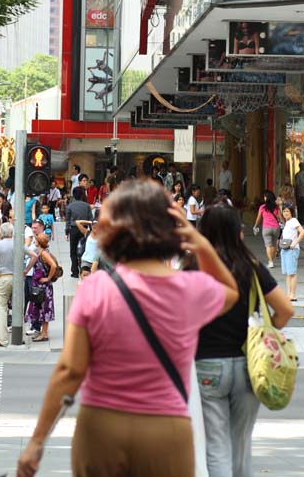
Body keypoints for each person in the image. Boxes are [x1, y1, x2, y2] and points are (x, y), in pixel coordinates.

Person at [17, 180, 239, 477]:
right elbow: (231, 292)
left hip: (101, 426)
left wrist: (37, 441)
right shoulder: (190, 288)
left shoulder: (96, 288)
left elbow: (69, 372)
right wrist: (199, 243)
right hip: (167, 430)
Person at [196, 204, 294, 477]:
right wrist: (267, 334)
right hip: (248, 364)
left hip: (205, 364)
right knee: (240, 445)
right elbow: (286, 309)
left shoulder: (195, 266)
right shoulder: (250, 266)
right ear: (237, 233)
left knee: (215, 445)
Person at [25, 233, 58, 343]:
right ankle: (42, 332)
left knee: (44, 309)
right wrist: (26, 271)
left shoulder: (44, 253)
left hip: (43, 287)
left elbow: (53, 265)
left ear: (39, 242)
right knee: (41, 309)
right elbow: (33, 262)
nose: (34, 242)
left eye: (36, 240)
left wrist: (48, 278)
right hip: (39, 286)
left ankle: (44, 333)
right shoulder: (40, 252)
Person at [65, 187, 93, 278]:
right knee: (85, 250)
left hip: (73, 229)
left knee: (73, 251)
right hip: (84, 229)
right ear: (82, 195)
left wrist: (67, 232)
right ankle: (83, 269)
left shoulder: (70, 206)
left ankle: (74, 271)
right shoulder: (87, 206)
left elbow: (68, 221)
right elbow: (91, 219)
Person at [279, 205, 304, 300]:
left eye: (287, 211)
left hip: (291, 250)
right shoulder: (287, 222)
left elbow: (302, 232)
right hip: (285, 249)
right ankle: (288, 294)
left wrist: (295, 243)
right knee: (288, 273)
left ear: (291, 213)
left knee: (292, 273)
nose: (285, 213)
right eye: (284, 211)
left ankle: (293, 295)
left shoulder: (293, 221)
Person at [253, 190, 281, 269]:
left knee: (268, 245)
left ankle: (270, 262)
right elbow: (280, 217)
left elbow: (259, 218)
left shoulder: (262, 207)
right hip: (276, 228)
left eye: (265, 196)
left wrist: (255, 226)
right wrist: (285, 223)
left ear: (267, 198)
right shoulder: (276, 207)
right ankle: (271, 261)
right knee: (274, 244)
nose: (264, 198)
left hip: (266, 228)